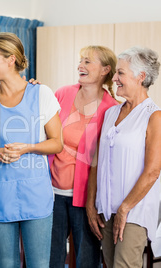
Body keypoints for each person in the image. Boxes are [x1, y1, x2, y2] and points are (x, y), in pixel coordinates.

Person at [0, 32, 63, 268]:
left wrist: (29, 147)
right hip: (1, 195)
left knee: (39, 264)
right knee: (6, 264)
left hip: (36, 194)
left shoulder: (41, 93)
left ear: (11, 59)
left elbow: (57, 142)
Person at [86, 46, 161, 267]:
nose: (114, 78)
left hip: (133, 211)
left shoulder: (154, 116)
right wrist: (92, 204)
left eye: (120, 73)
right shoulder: (111, 113)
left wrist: (125, 208)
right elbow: (95, 162)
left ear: (141, 77)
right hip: (106, 210)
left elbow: (153, 171)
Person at [48, 46, 119, 268]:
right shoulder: (62, 94)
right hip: (51, 192)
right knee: (51, 257)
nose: (81, 65)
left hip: (86, 197)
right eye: (81, 60)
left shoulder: (112, 109)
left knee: (86, 259)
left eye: (88, 62)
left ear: (105, 70)